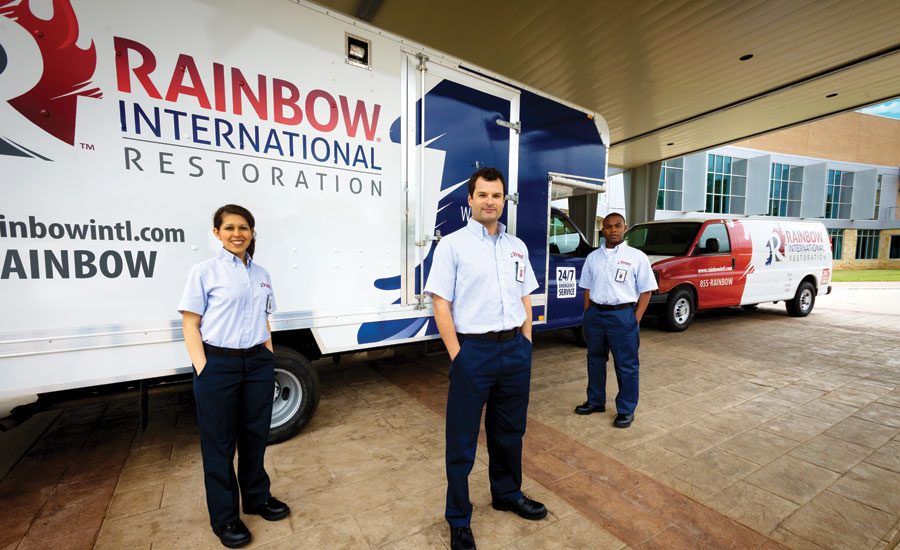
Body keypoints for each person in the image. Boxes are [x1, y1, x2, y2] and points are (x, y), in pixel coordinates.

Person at [424, 167, 547, 550]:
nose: (490, 202)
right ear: (471, 199)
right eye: (483, 195)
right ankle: (459, 518)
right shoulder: (452, 246)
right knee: (461, 440)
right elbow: (440, 303)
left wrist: (526, 341)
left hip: (514, 350)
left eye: (496, 195)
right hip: (473, 353)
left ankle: (507, 494)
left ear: (503, 200)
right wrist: (457, 356)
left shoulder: (516, 246)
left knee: (510, 432)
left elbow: (525, 295)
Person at [178, 204, 289, 548]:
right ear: (217, 233)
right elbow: (190, 324)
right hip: (218, 366)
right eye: (229, 228)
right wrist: (203, 368)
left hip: (257, 363)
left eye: (243, 227)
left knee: (255, 436)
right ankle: (225, 517)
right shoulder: (204, 272)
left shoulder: (262, 274)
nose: (237, 234)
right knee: (219, 445)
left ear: (252, 232)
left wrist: (268, 356)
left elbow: (263, 318)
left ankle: (257, 498)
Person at [574, 212, 657, 428]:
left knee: (626, 364)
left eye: (617, 226)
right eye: (608, 226)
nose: (613, 230)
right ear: (602, 230)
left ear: (624, 228)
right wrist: (588, 312)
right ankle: (595, 401)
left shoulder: (636, 257)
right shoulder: (593, 257)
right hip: (595, 315)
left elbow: (647, 290)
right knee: (595, 360)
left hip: (622, 315)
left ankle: (626, 409)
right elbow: (586, 287)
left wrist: (635, 319)